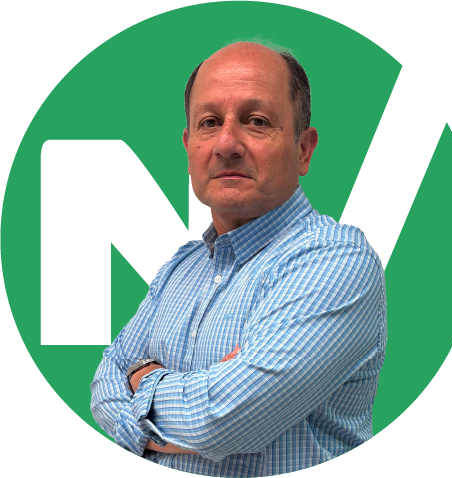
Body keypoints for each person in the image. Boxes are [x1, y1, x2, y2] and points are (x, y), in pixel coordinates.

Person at [90, 41, 387, 478]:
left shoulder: (338, 261)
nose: (227, 143)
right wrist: (196, 394)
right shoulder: (179, 268)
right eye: (209, 123)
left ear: (304, 149)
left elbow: (225, 422)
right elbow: (104, 382)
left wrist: (142, 380)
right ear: (189, 146)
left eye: (257, 121)